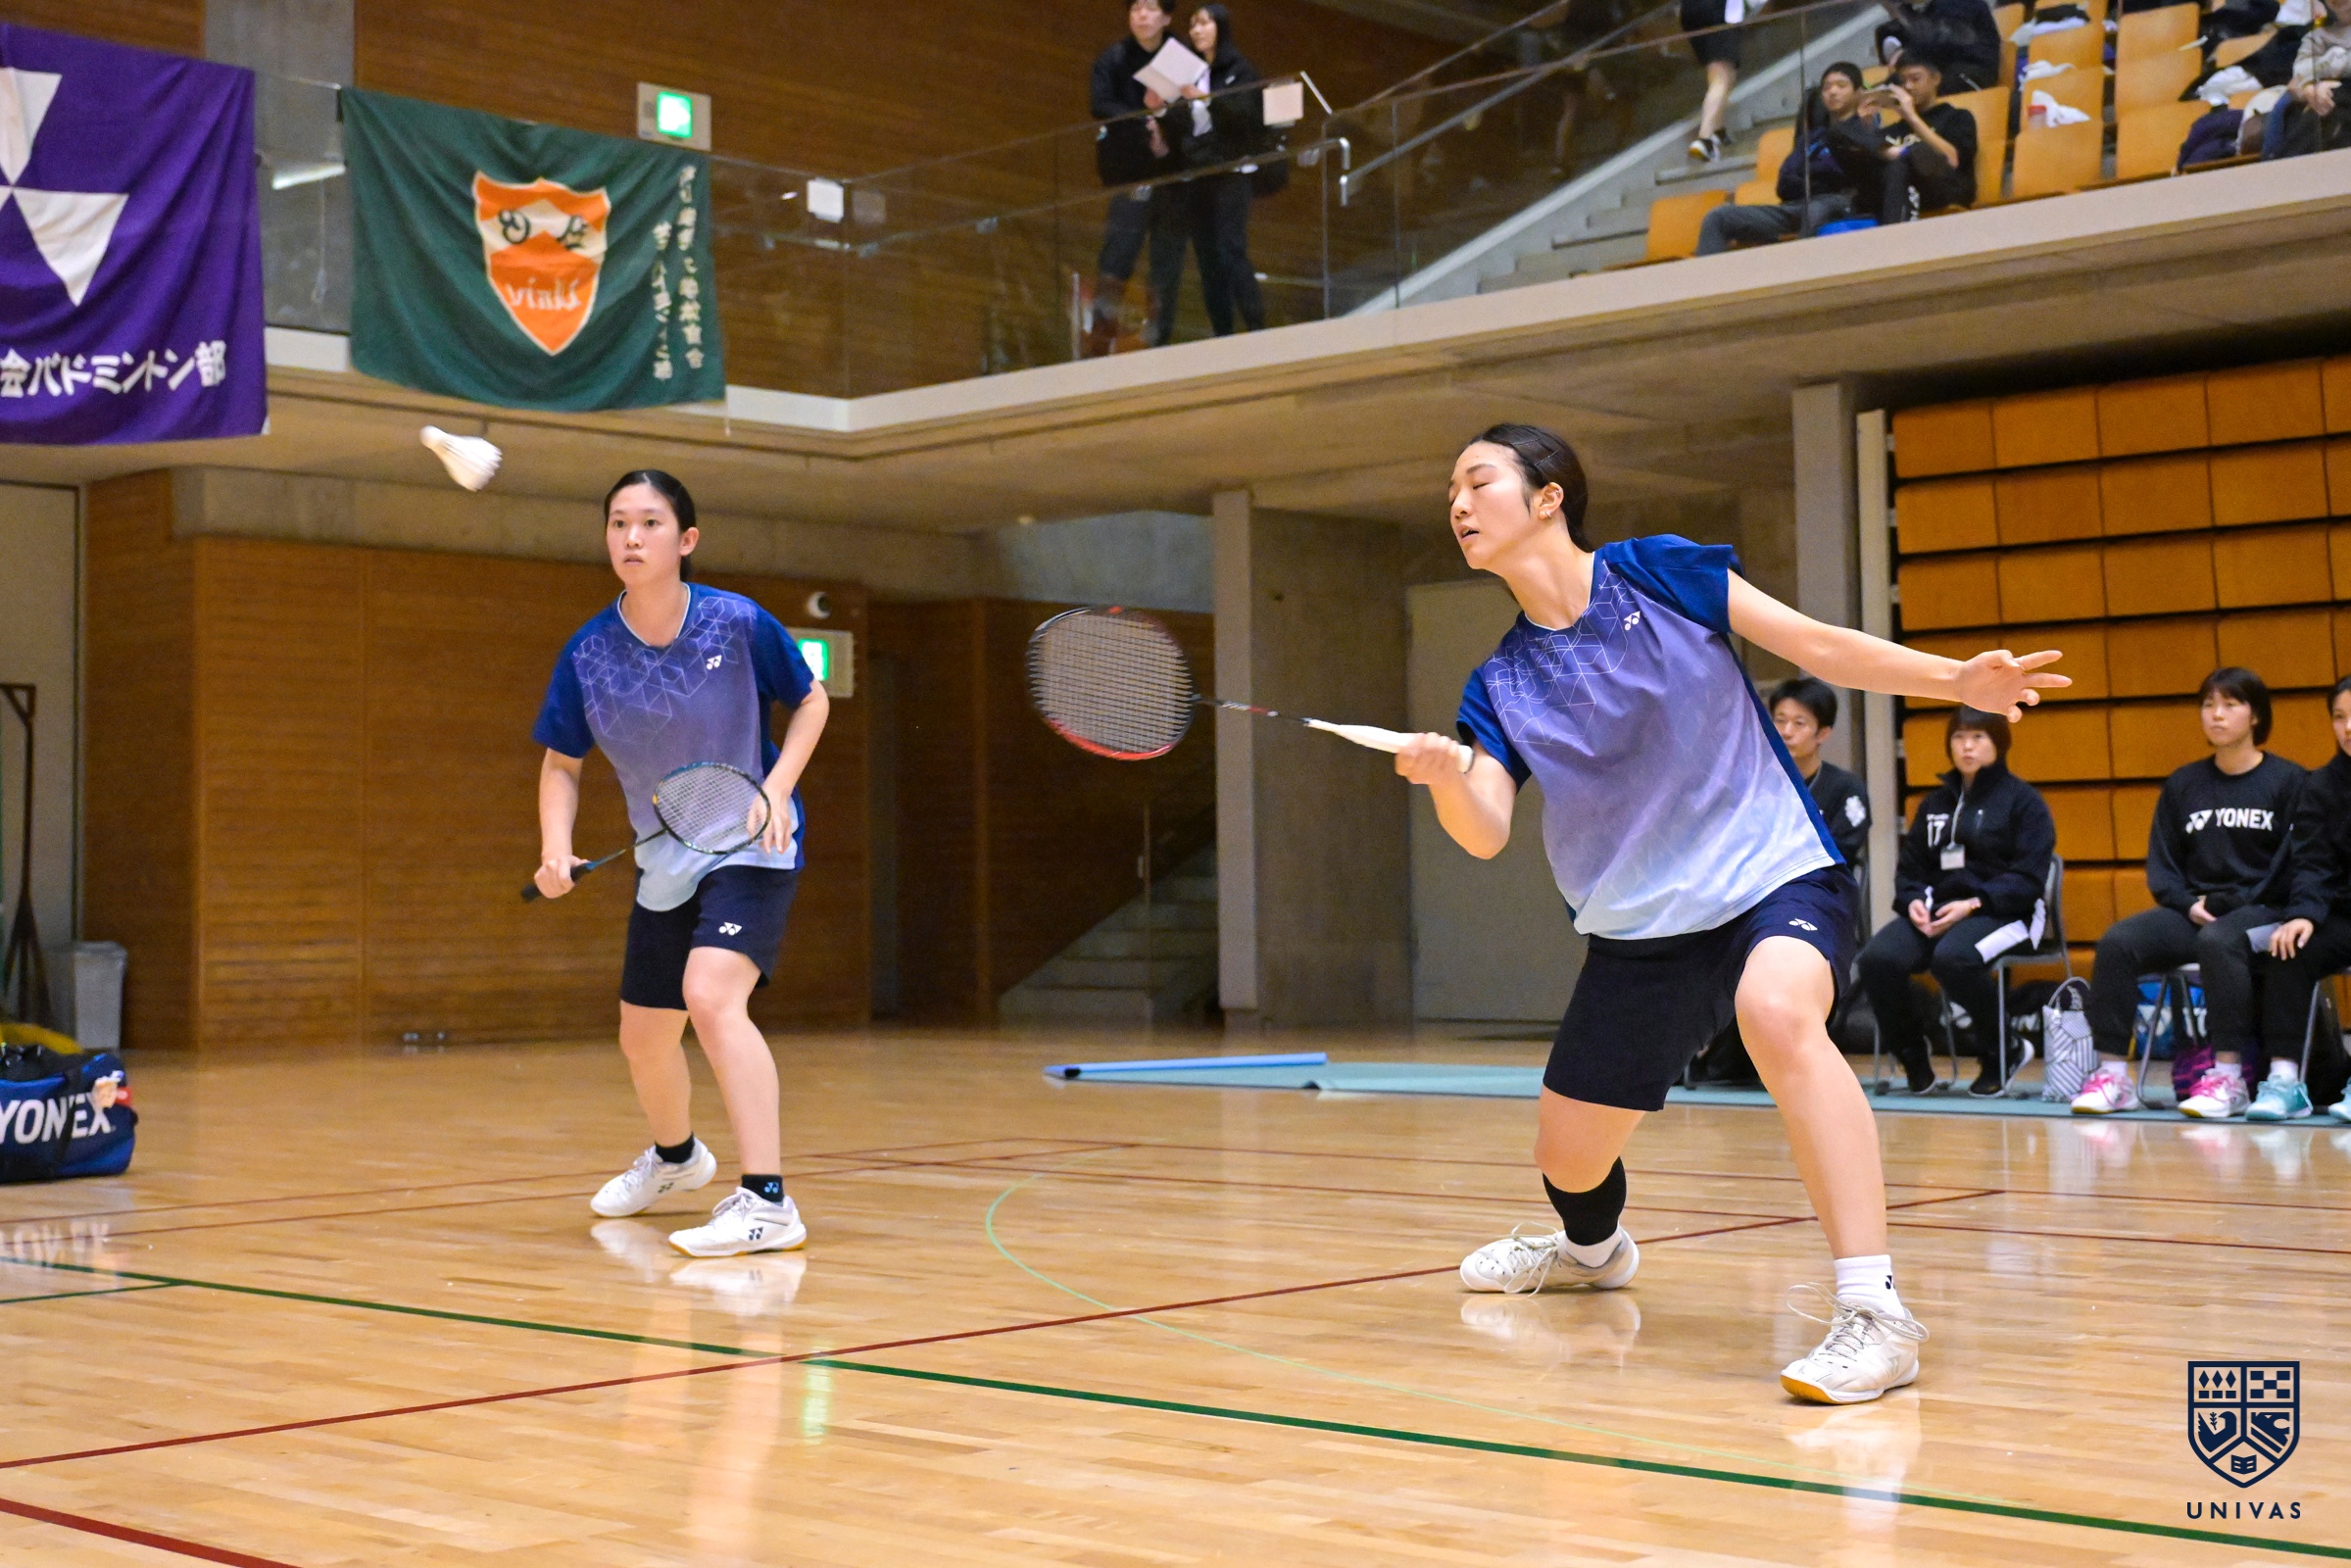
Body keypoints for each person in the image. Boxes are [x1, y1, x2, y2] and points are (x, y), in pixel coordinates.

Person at [1397, 423, 2064, 1403]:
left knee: (1776, 1012)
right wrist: (1448, 776)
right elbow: (1485, 830)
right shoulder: (1500, 680)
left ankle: (1873, 1311)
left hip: (1770, 875)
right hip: (1637, 929)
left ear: (1547, 497)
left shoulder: (1656, 572)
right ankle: (1590, 1252)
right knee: (1566, 1159)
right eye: (1449, 490)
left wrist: (1953, 680)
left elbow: (1815, 645)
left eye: (1477, 480)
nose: (1457, 503)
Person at [532, 470, 831, 1257]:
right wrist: (554, 846)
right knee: (643, 1037)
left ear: (685, 539)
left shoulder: (737, 622)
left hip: (752, 844)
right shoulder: (589, 653)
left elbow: (812, 699)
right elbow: (562, 763)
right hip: (666, 856)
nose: (631, 537)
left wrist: (776, 787)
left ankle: (767, 1201)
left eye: (649, 523)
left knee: (710, 995)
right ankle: (676, 1160)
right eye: (617, 523)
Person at [2072, 669, 2306, 1118]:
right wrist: (2188, 904)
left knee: (2219, 942)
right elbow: (2163, 865)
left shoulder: (2289, 781)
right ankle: (2114, 1077)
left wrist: (2234, 906)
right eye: (2208, 705)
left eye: (2230, 705)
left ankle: (2229, 1078)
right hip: (2197, 910)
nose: (2216, 715)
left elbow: (2291, 865)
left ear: (2256, 715)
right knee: (2118, 942)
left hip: (2263, 911)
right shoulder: (2184, 784)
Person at [1856, 707, 2056, 1096]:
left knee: (1953, 959)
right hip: (1941, 912)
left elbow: (2029, 879)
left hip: (2007, 913)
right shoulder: (1934, 805)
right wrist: (1914, 901)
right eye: (1959, 737)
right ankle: (1914, 1057)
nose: (1967, 746)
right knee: (1877, 960)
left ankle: (2004, 1050)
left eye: (1978, 737)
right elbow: (1910, 869)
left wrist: (1974, 904)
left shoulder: (2024, 803)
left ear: (1999, 743)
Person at [2256, 674, 2351, 1121]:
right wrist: (2303, 915)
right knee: (2288, 947)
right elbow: (2313, 862)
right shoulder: (2321, 786)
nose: (2348, 727)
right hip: (2341, 914)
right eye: (2339, 717)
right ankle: (2285, 1081)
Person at [1087, 0, 1194, 355]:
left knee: (1167, 259)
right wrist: (1143, 118)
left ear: (1166, 16)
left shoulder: (1181, 57)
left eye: (1149, 8)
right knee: (1118, 251)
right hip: (1130, 171)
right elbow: (1100, 103)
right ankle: (1101, 335)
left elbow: (1193, 112)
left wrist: (1164, 122)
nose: (1142, 15)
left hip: (1172, 172)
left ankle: (1159, 339)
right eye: (1135, 9)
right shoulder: (1114, 57)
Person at [1697, 64, 1885, 254]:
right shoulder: (1810, 138)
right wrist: (1822, 177)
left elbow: (1859, 176)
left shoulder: (1866, 131)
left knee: (1815, 211)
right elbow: (1785, 182)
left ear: (1859, 92)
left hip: (1839, 204)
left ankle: (1800, 269)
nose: (1832, 92)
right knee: (1718, 217)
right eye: (1827, 87)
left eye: (1841, 85)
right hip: (1796, 207)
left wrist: (1814, 177)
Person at [1179, 5, 1268, 336]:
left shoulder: (1240, 69)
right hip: (1198, 172)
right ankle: (1222, 331)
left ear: (1220, 27)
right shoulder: (1190, 72)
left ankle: (1256, 324)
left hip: (1231, 170)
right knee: (1206, 257)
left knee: (1231, 249)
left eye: (1204, 23)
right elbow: (1185, 124)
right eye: (1192, 25)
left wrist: (1207, 98)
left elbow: (1246, 114)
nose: (1196, 31)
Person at [1770, 675, 1871, 877]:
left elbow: (1840, 855)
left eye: (1799, 723)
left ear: (1822, 734)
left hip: (1819, 886)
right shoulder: (1757, 783)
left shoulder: (1846, 789)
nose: (1786, 732)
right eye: (1780, 721)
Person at [1868, 55, 1978, 222]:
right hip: (1903, 193)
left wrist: (1912, 117)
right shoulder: (1894, 130)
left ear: (1936, 79)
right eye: (1903, 81)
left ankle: (1894, 230)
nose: (1908, 86)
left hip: (1946, 189)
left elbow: (1952, 160)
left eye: (1915, 79)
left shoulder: (1957, 117)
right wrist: (1865, 124)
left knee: (1910, 156)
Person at [1683, 0, 1765, 163]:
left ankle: (1718, 129)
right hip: (1719, 11)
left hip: (1690, 12)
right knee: (1722, 74)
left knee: (1722, 73)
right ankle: (1705, 140)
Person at [1872, 0, 2001, 92]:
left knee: (1917, 89)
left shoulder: (1957, 4)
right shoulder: (1917, 9)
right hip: (1940, 67)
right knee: (1896, 86)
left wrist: (1906, 54)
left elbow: (1943, 46)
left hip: (1972, 69)